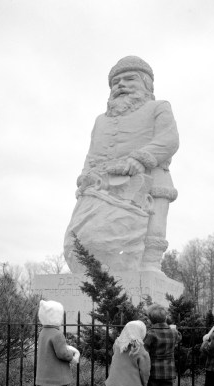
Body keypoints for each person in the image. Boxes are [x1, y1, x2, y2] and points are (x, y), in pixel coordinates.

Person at [64, 55, 179, 272]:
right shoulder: (101, 120)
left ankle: (150, 263)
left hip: (151, 178)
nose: (121, 85)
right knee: (86, 231)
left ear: (146, 84)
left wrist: (140, 158)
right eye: (116, 82)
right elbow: (92, 153)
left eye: (129, 79)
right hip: (104, 185)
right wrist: (85, 176)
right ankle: (93, 265)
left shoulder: (159, 107)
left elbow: (169, 140)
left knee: (153, 225)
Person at [36, 300, 80, 386]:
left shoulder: (43, 332)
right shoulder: (57, 334)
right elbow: (62, 353)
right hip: (54, 373)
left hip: (43, 372)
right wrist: (72, 358)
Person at [143, 304, 179, 386]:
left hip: (153, 371)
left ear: (150, 320)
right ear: (165, 318)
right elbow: (179, 338)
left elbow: (144, 351)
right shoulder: (173, 332)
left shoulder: (151, 334)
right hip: (169, 371)